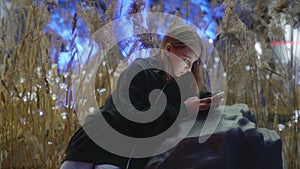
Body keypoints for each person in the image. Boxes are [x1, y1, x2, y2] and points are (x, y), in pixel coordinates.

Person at [60, 25, 221, 169]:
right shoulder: (140, 69)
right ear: (169, 49)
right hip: (94, 141)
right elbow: (137, 120)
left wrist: (209, 101)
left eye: (193, 62)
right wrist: (183, 110)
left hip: (123, 153)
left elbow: (194, 101)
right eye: (186, 59)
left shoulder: (184, 84)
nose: (189, 67)